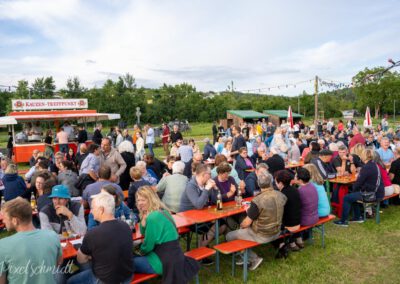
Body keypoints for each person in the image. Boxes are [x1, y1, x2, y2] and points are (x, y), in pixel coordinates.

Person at [133, 186, 199, 283]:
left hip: (163, 261)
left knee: (127, 263)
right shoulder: (164, 212)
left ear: (151, 199)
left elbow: (148, 246)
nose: (140, 203)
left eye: (143, 200)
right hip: (177, 257)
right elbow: (144, 232)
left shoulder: (152, 217)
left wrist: (139, 252)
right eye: (138, 200)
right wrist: (143, 218)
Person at [68, 192, 134, 284]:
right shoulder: (126, 226)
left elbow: (81, 259)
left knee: (70, 281)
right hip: (127, 277)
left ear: (101, 210)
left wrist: (92, 256)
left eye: (92, 208)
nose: (91, 211)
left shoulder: (93, 233)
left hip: (105, 280)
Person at [226, 172, 286, 270]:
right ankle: (244, 256)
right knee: (243, 226)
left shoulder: (257, 200)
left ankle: (253, 258)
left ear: (258, 184)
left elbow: (246, 223)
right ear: (271, 182)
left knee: (230, 236)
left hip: (262, 234)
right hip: (277, 231)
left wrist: (241, 226)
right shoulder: (280, 195)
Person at [0, 197, 62, 283]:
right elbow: (58, 262)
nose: (3, 220)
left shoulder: (3, 245)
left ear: (15, 220)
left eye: (4, 217)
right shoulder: (52, 236)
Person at [334, 148, 384, 227]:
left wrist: (354, 188)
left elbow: (358, 183)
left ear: (364, 156)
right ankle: (357, 217)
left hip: (371, 194)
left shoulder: (366, 167)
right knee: (353, 195)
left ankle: (343, 221)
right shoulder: (374, 165)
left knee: (346, 198)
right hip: (377, 192)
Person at [274, 170, 302, 254]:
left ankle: (282, 245)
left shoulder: (281, 194)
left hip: (289, 226)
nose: (275, 183)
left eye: (276, 182)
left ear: (281, 183)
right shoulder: (295, 190)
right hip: (298, 222)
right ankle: (294, 242)